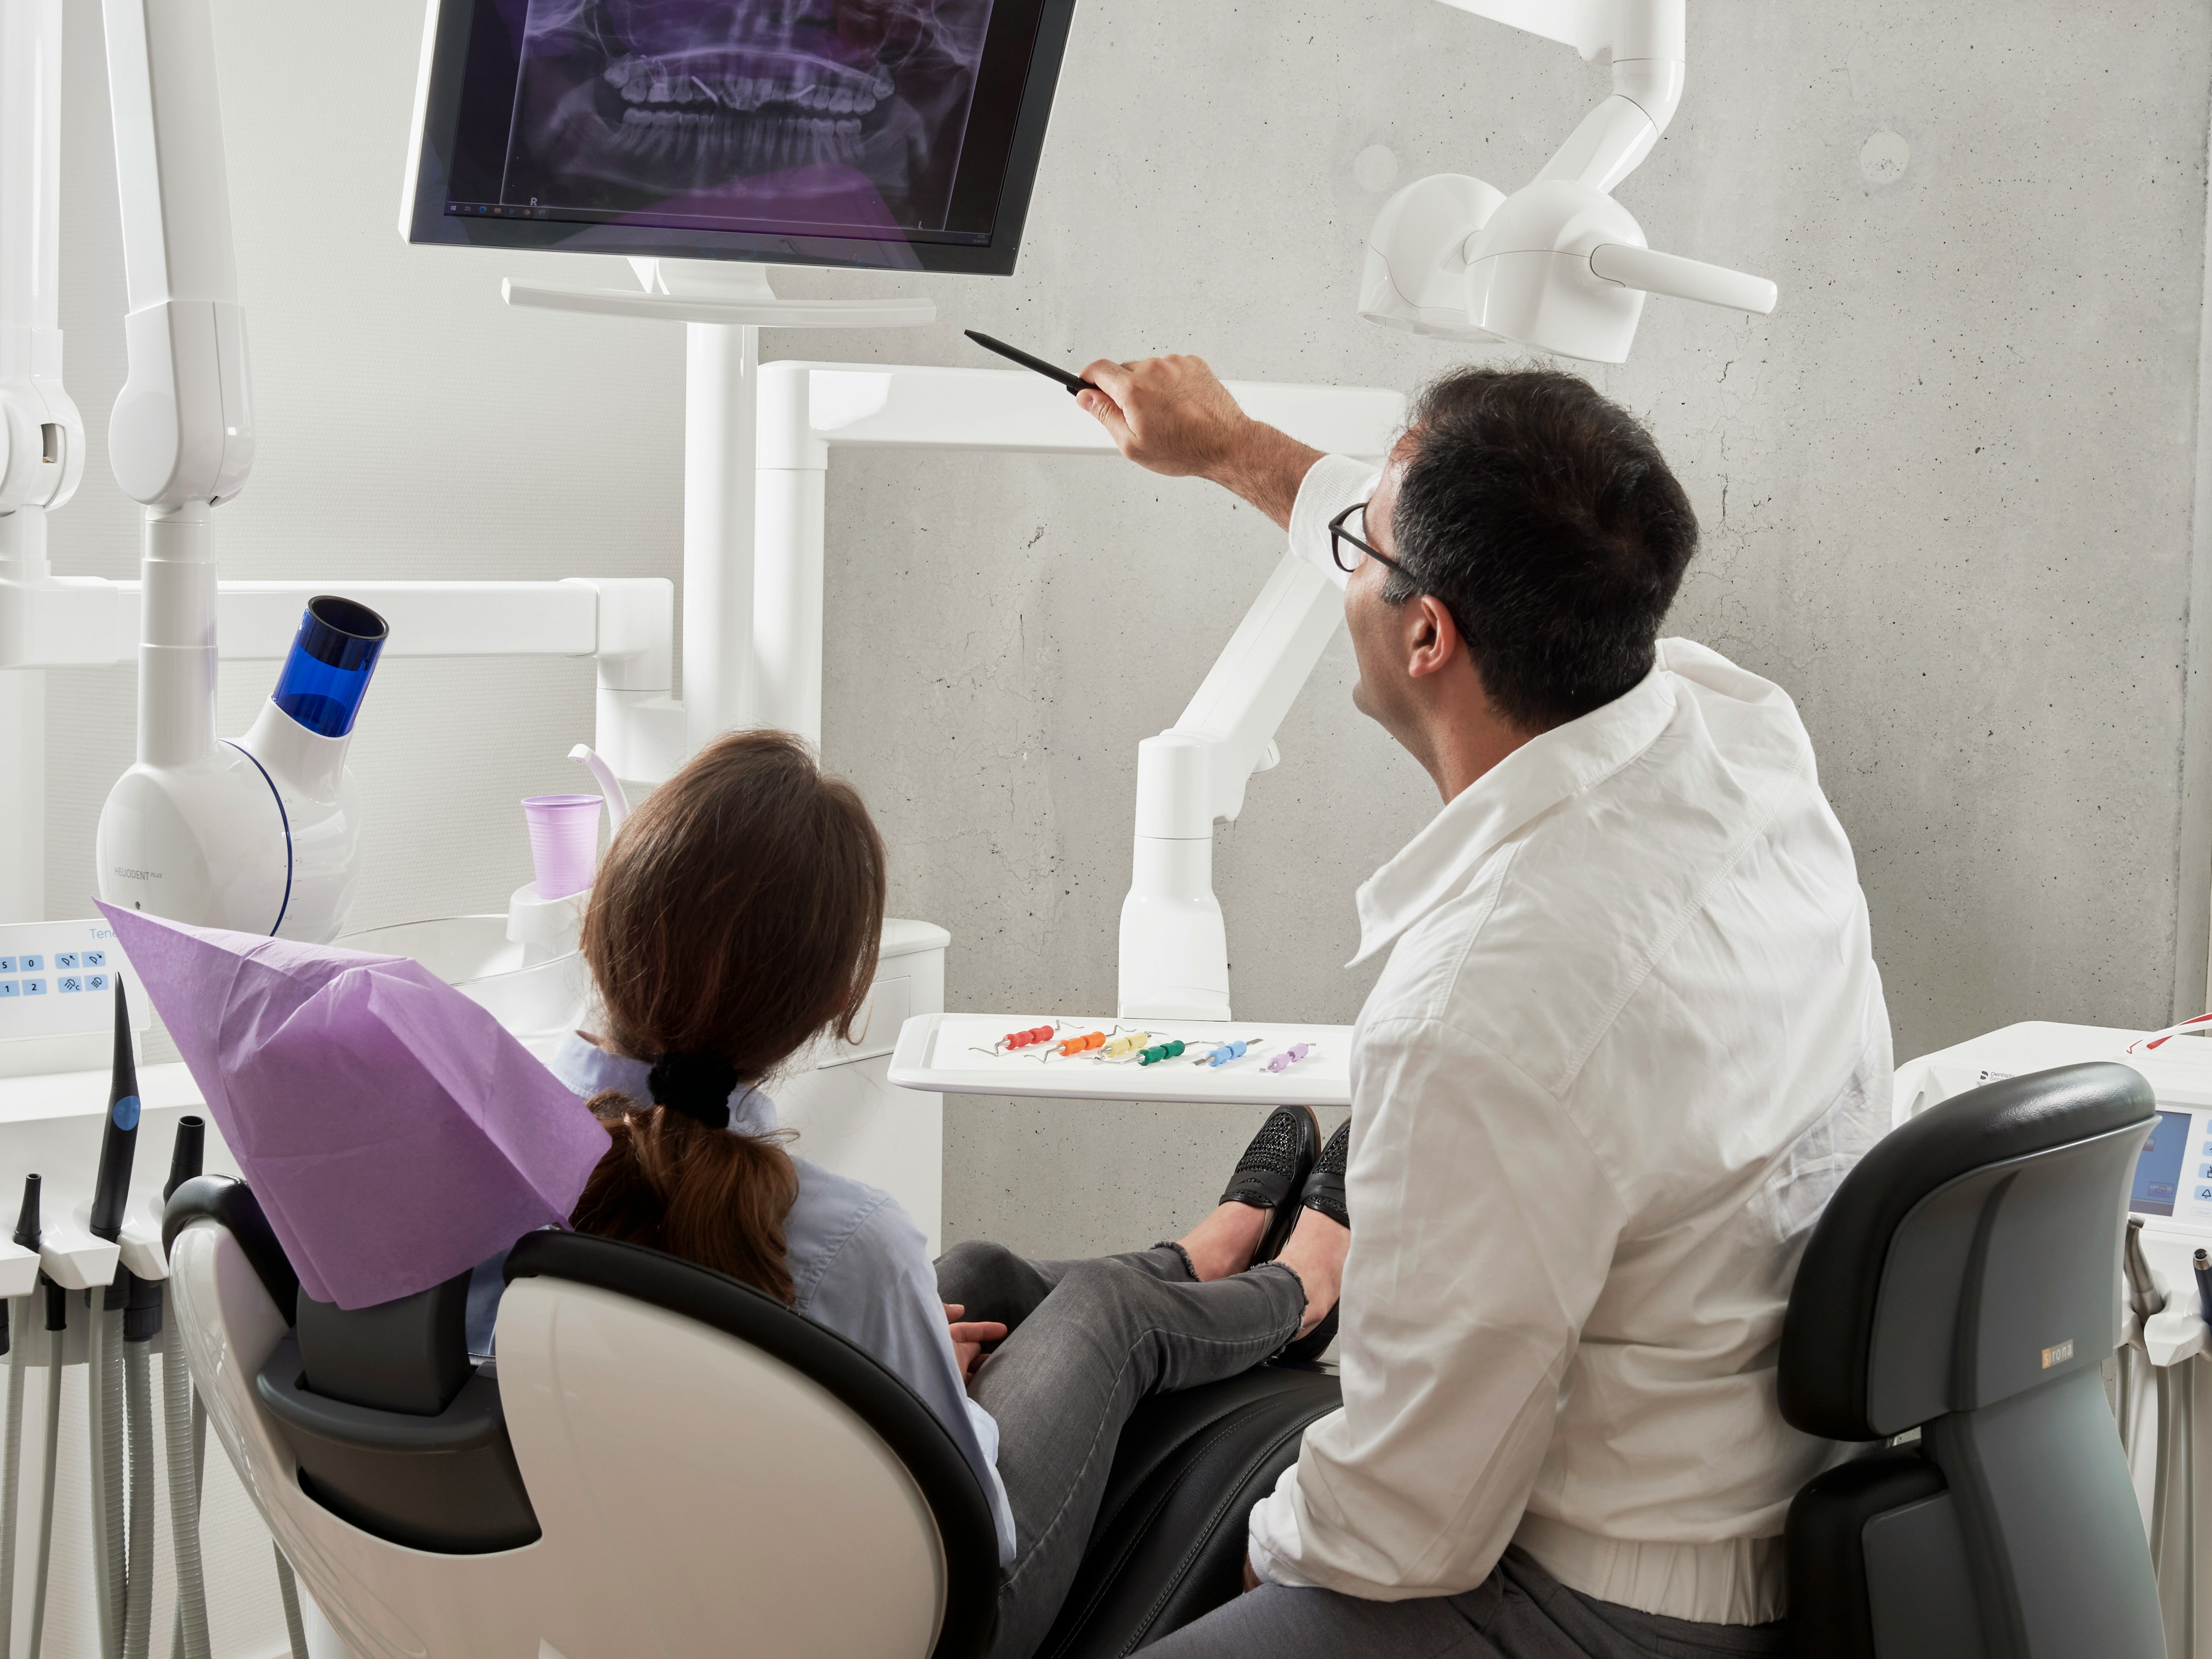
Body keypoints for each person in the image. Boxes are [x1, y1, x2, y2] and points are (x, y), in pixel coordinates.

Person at [1067, 358, 1891, 1658]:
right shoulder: (1736, 726)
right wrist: (1228, 447)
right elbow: (1433, 532)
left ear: (1430, 634)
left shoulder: (1484, 1003)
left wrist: (1237, 1570)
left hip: (1594, 1600)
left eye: (1365, 541)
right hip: (1752, 1494)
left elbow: (1403, 1528)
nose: (1351, 542)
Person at [532, 727, 1355, 1659]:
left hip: (673, 1582)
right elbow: (979, 1527)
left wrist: (902, 1376)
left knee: (975, 1272)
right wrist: (932, 1418)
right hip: (922, 1622)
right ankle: (1298, 1292)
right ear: (835, 1003)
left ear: (607, 906)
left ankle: (1199, 1263)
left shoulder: (504, 1157)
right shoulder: (849, 1241)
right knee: (1103, 1311)